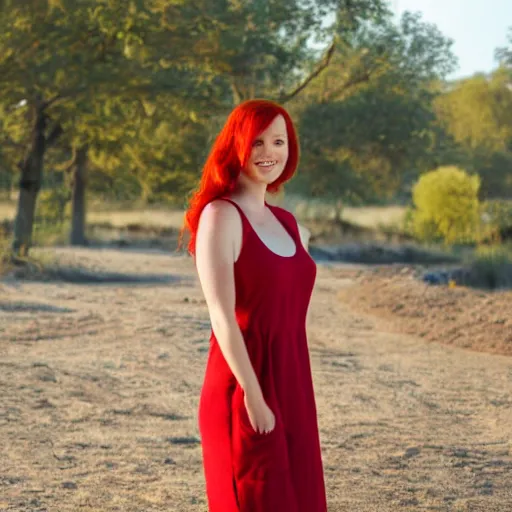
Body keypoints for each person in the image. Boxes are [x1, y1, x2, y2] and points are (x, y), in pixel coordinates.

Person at [179, 99, 327, 512]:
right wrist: (254, 396)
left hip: (293, 379)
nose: (269, 153)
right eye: (257, 142)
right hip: (243, 385)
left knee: (300, 498)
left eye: (278, 141)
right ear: (237, 146)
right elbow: (222, 317)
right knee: (258, 499)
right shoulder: (220, 216)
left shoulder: (293, 226)